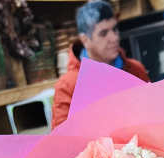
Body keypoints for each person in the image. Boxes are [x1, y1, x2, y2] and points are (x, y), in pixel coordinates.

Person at [52, 0, 150, 128]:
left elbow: (155, 117)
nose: (114, 38)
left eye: (114, 29)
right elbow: (60, 138)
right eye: (103, 33)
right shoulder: (68, 86)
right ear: (85, 40)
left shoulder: (136, 70)